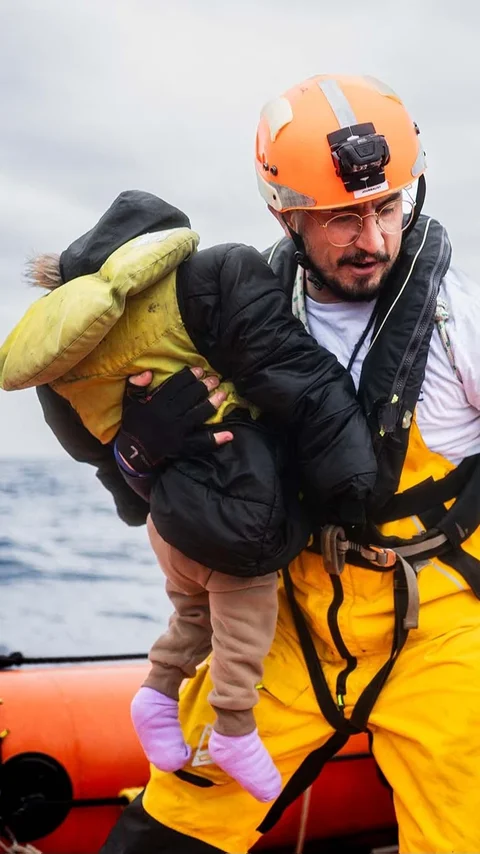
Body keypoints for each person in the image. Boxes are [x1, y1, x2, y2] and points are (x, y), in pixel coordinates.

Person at [18, 73, 480, 853]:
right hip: (286, 625)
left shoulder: (457, 323)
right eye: (341, 217)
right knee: (164, 833)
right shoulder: (223, 318)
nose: (370, 239)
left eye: (387, 207)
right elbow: (149, 493)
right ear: (285, 212)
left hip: (440, 633)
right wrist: (144, 452)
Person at [0, 188, 376, 801]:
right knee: (245, 618)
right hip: (230, 501)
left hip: (165, 520)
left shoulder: (60, 351)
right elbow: (301, 381)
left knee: (193, 614)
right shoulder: (213, 277)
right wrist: (355, 488)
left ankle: (154, 695)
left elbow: (90, 451)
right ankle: (232, 725)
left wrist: (139, 468)